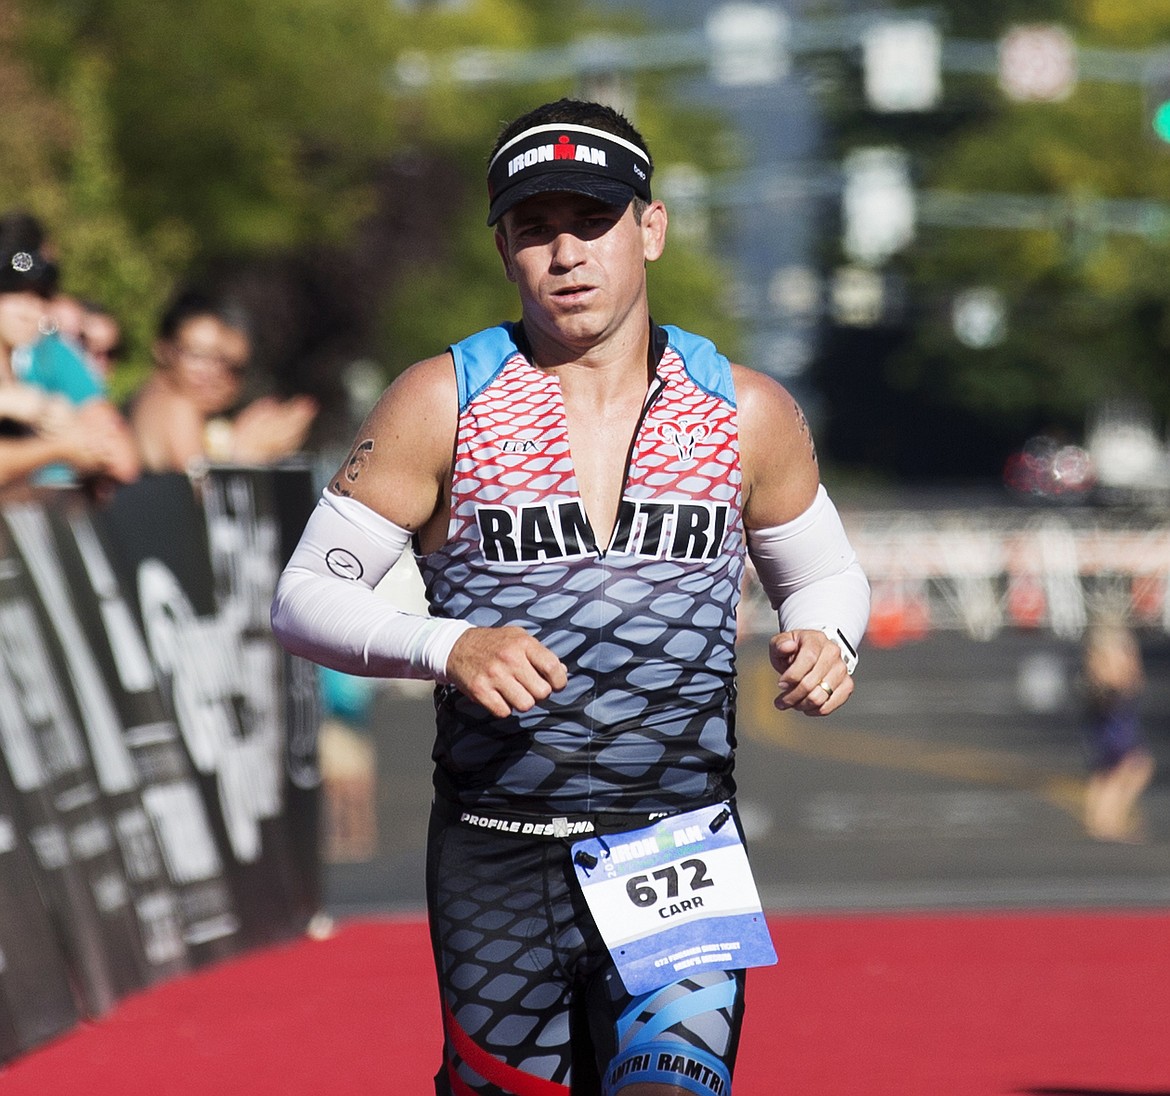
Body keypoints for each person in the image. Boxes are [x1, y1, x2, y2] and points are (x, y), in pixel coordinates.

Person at [271, 98, 870, 1096]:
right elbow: (301, 597)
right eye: (534, 230)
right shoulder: (441, 401)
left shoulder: (746, 410)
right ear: (502, 247)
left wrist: (827, 638)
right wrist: (446, 644)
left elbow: (824, 575)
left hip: (677, 842)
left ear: (651, 228)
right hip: (496, 851)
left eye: (591, 222)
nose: (566, 255)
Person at [127, 287, 318, 473]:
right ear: (163, 349)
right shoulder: (177, 407)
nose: (214, 373)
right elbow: (202, 495)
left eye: (232, 365)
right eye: (199, 355)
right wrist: (244, 454)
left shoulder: (152, 397)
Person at [0, 238, 140, 489]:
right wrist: (58, 448)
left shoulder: (38, 358)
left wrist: (79, 434)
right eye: (13, 293)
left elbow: (119, 455)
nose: (29, 310)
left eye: (41, 297)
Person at [1081, 623, 1155, 842]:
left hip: (1112, 719)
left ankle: (1101, 822)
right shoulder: (1108, 658)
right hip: (1115, 720)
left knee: (1110, 772)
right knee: (1127, 768)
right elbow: (1125, 682)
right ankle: (1106, 823)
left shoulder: (1098, 658)